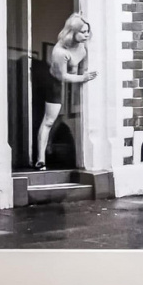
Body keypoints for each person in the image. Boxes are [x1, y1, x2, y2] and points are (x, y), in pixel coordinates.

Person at [35, 13, 98, 170]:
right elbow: (62, 76)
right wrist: (83, 78)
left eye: (87, 31)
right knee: (49, 121)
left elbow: (76, 69)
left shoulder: (83, 46)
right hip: (55, 83)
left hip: (73, 81)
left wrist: (81, 77)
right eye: (82, 32)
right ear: (72, 32)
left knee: (63, 119)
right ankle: (40, 159)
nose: (86, 35)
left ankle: (58, 149)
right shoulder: (60, 52)